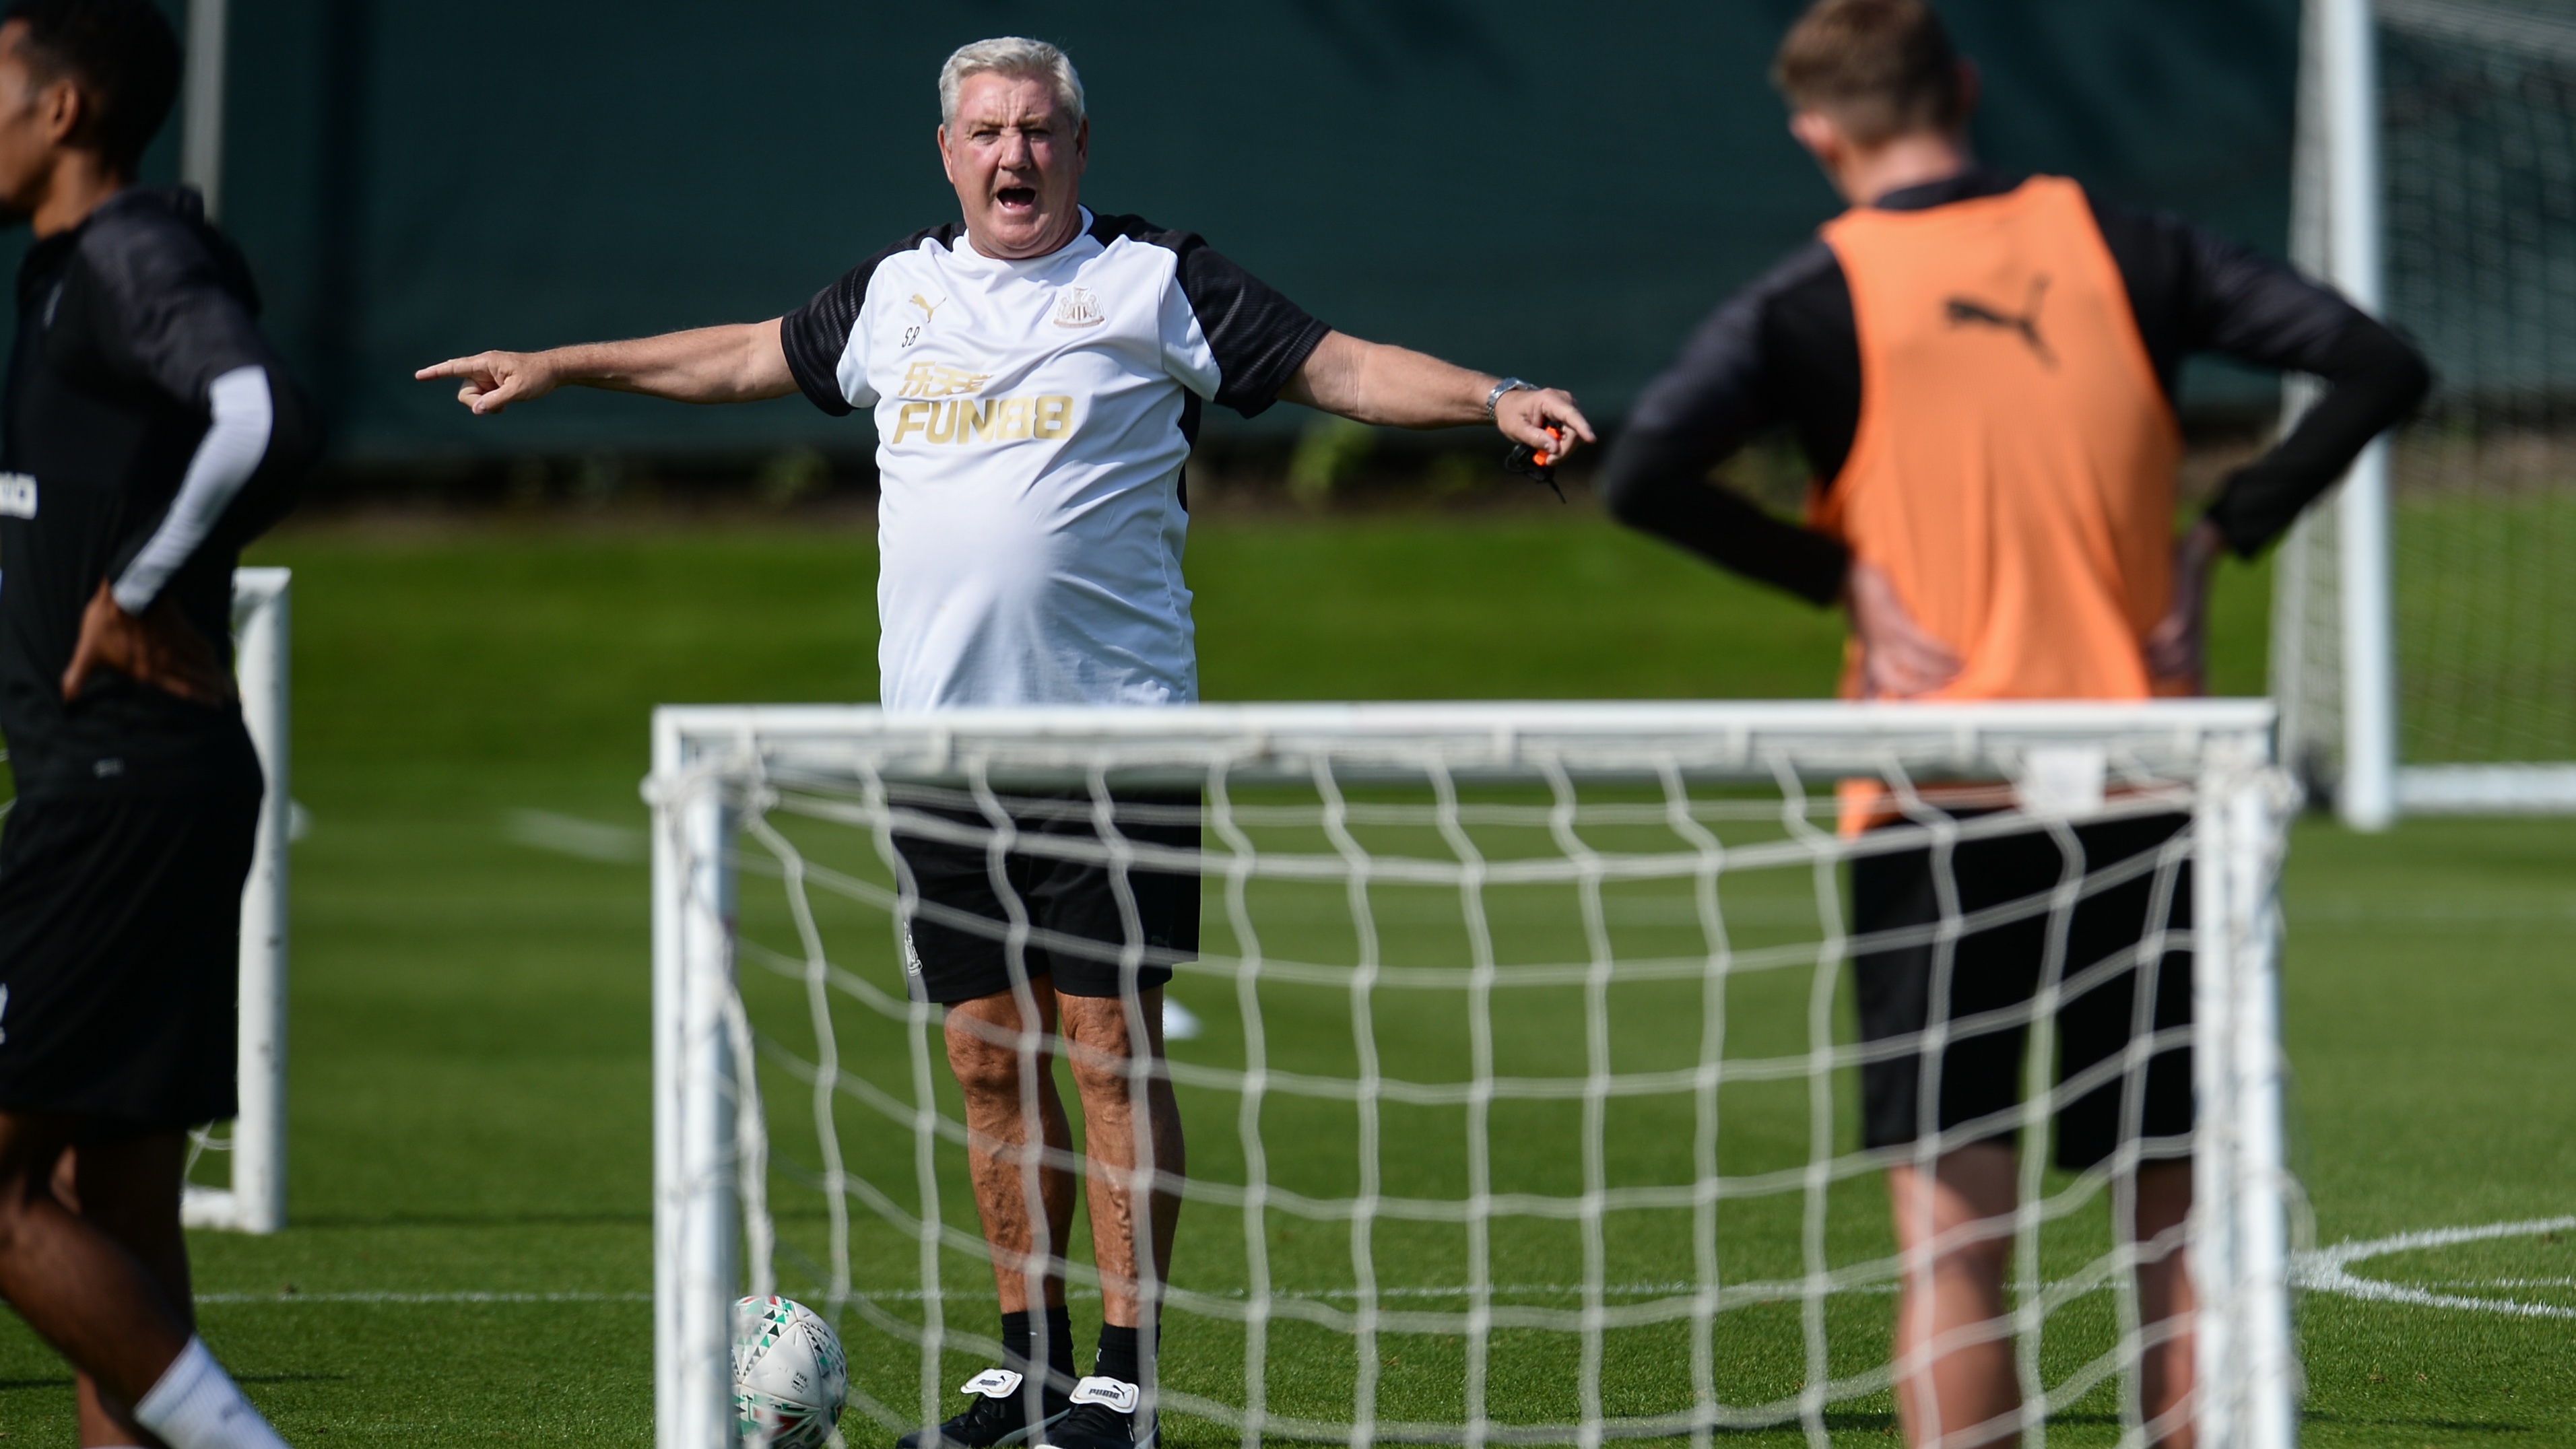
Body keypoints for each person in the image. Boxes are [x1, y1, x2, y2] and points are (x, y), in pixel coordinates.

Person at [418, 36, 1591, 1449]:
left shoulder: (1153, 283)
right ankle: (1025, 1364)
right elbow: (740, 355)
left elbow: (1339, 364)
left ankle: (1122, 1379)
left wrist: (1487, 396)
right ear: (946, 151)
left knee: (1106, 1045)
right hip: (937, 759)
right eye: (984, 131)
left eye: (1037, 130)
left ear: (1079, 148)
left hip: (1112, 744)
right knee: (984, 1058)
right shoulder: (894, 295)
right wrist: (560, 363)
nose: (1011, 154)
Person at [1597, 2, 2428, 1446]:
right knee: (2175, 1243)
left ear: (1815, 132)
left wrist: (1833, 571)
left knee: (1954, 1254)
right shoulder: (2130, 244)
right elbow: (2373, 360)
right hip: (2146, 797)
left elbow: (1644, 466)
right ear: (1962, 89)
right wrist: (2222, 530)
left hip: (1932, 801)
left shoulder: (1814, 293)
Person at [0, 1, 315, 1446]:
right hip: (123, 778)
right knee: (107, 1190)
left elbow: (257, 412)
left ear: (63, 110)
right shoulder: (63, 274)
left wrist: (134, 590)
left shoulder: (134, 250)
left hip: (123, 782)